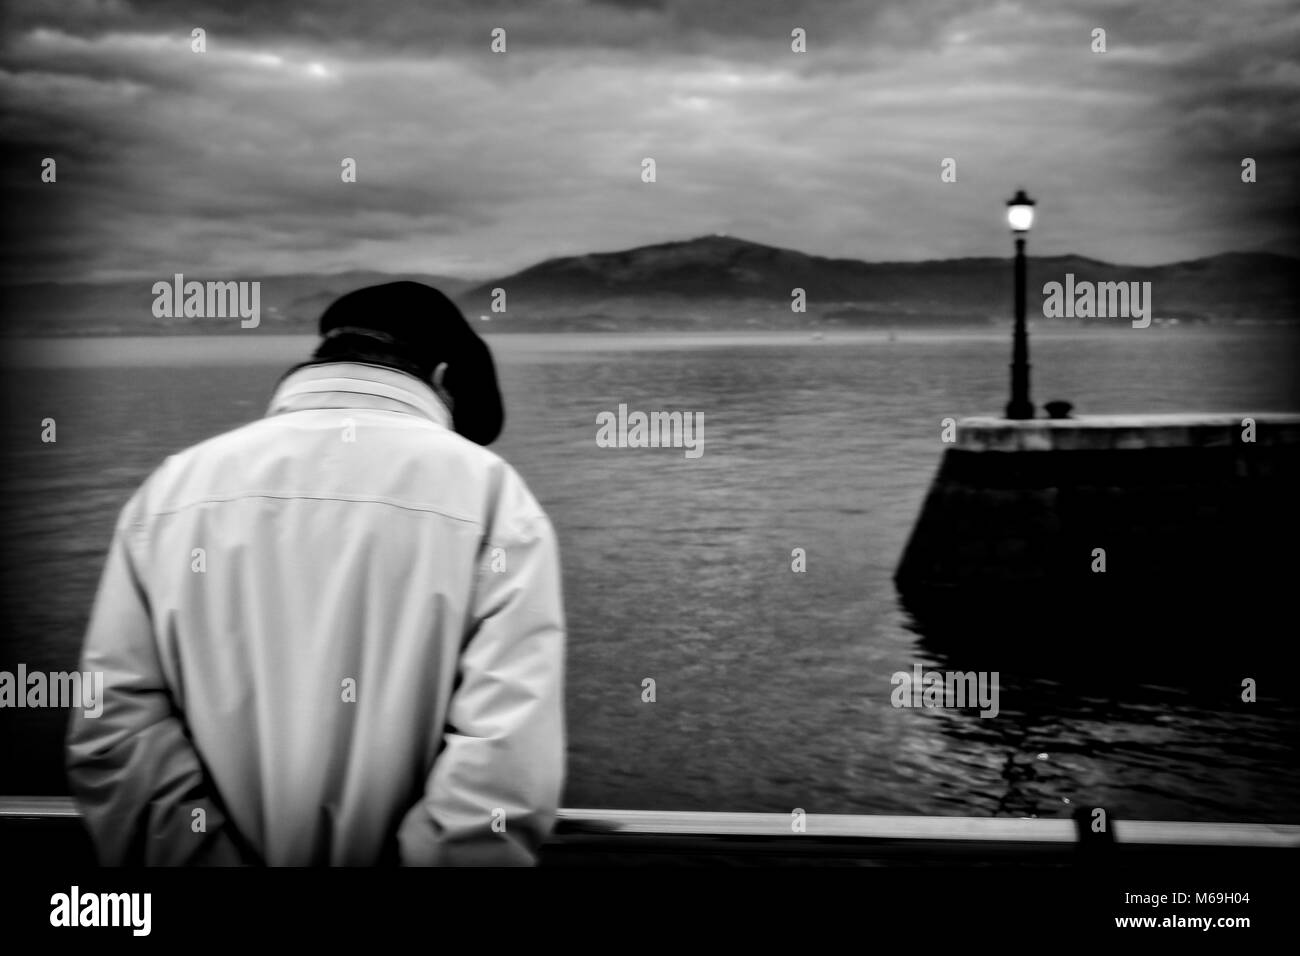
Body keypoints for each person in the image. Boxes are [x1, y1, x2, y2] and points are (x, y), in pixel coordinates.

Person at [66, 281, 566, 866]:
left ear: (324, 356)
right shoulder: (495, 498)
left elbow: (116, 729)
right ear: (442, 378)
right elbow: (502, 765)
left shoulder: (172, 489)